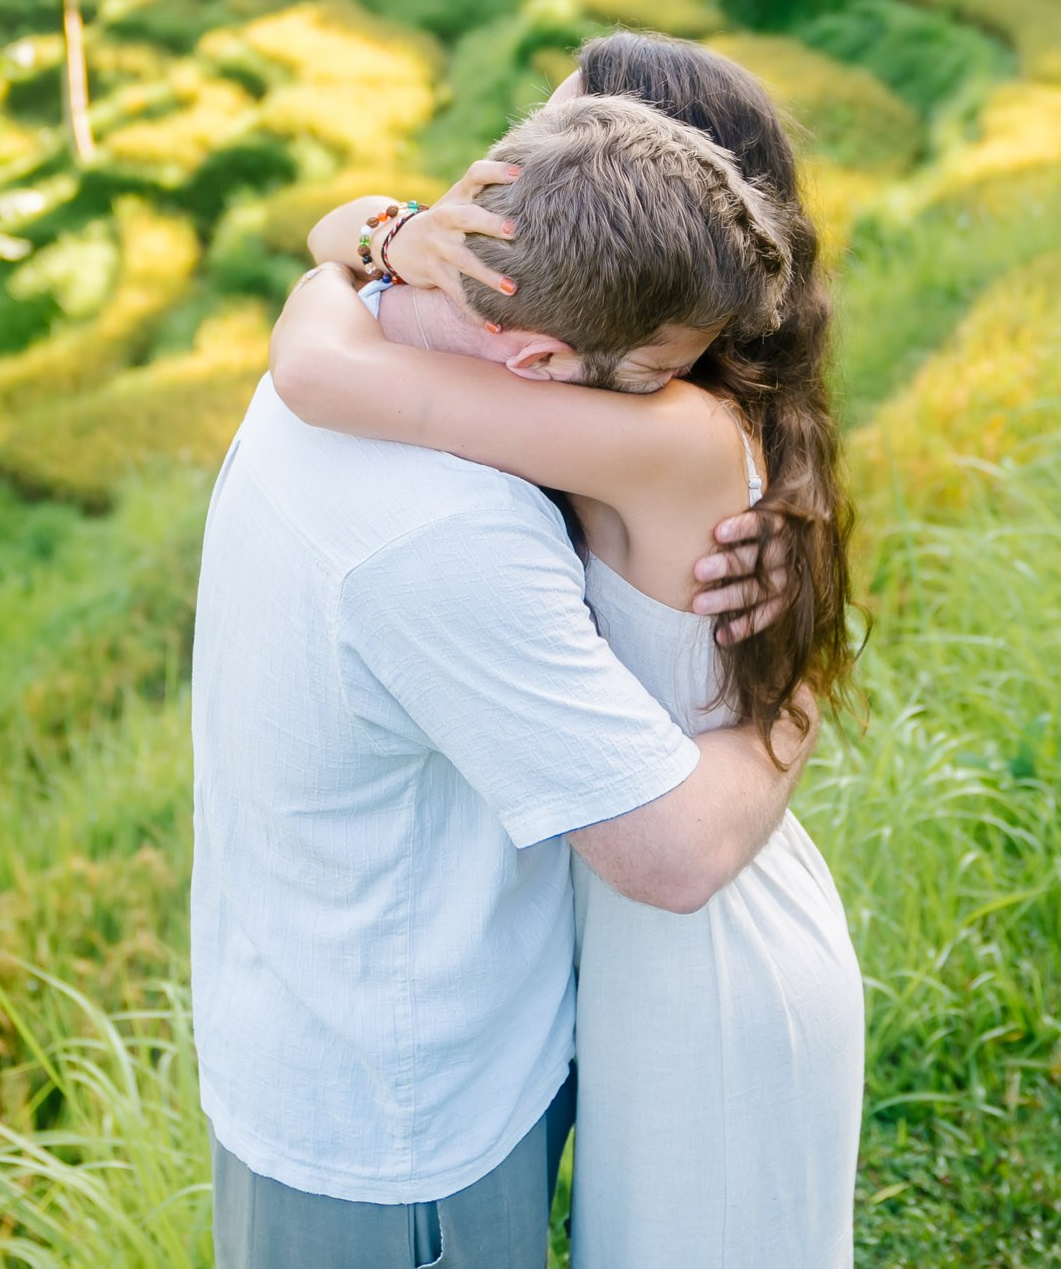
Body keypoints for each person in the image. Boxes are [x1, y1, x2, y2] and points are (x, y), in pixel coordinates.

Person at [191, 91, 814, 1269]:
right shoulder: (446, 535)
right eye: (659, 373)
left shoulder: (366, 320)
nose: (679, 397)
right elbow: (672, 855)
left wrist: (375, 234)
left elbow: (332, 272)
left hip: (355, 1007)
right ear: (538, 358)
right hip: (402, 1127)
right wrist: (793, 704)